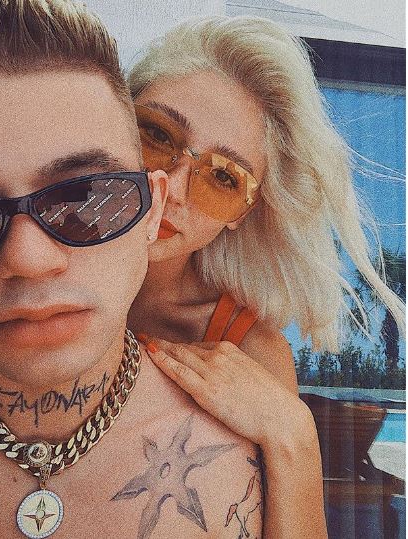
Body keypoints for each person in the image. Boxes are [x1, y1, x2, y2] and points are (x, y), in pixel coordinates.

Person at [0, 2, 280, 538]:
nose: (28, 258)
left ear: (148, 209)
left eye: (87, 197)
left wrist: (294, 440)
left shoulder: (233, 431)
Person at [127, 14, 406, 538]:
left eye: (223, 177)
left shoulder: (248, 347)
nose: (174, 187)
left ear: (243, 213)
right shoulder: (15, 262)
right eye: (157, 135)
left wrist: (294, 433)